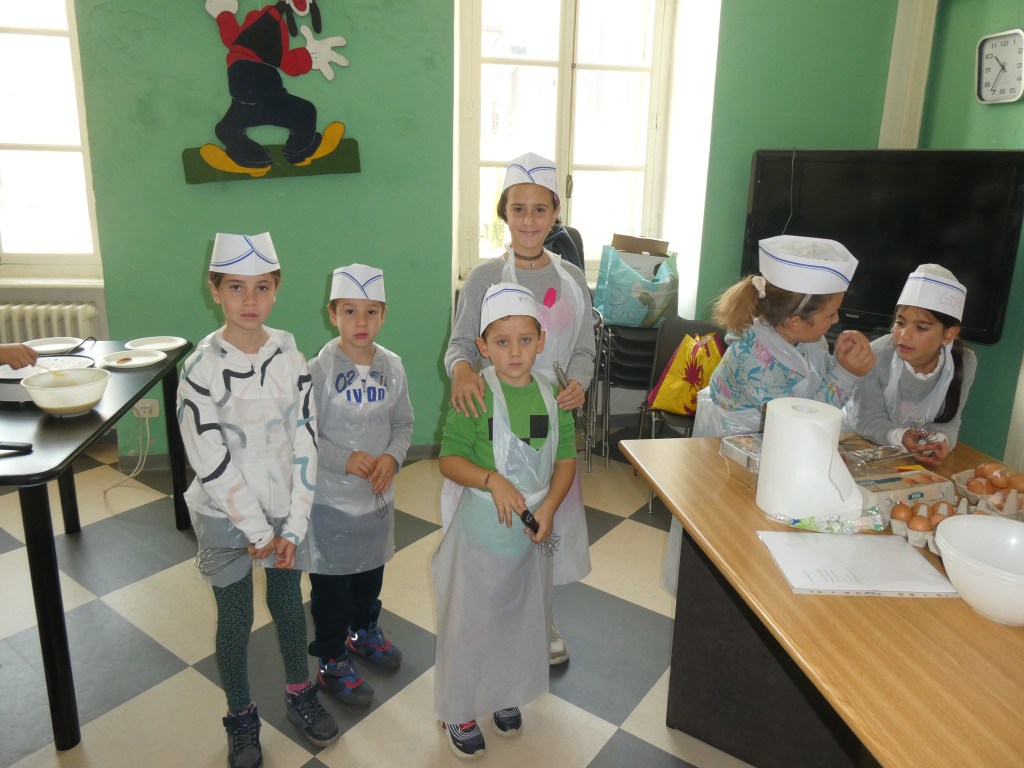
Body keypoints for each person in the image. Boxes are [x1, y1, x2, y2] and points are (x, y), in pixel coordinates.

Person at [177, 232, 338, 768]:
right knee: (234, 617)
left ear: (276, 289)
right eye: (236, 287)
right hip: (226, 517)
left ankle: (299, 692)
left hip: (284, 513)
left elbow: (306, 441)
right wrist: (258, 531)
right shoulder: (199, 369)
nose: (250, 300)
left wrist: (292, 527)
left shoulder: (291, 356)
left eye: (262, 287)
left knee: (289, 605)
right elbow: (210, 460)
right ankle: (241, 715)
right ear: (214, 290)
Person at [444, 151, 593, 666]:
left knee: (543, 518)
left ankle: (541, 616)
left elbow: (584, 349)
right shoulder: (483, 277)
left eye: (539, 209)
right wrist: (462, 372)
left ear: (555, 213)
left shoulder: (572, 278)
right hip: (494, 418)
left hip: (548, 418)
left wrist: (579, 383)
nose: (528, 220)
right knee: (496, 528)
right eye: (518, 209)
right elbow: (460, 345)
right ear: (504, 213)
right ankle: (488, 614)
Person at [663, 235, 876, 593]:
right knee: (731, 536)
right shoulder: (757, 361)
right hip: (735, 456)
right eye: (830, 314)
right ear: (795, 322)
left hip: (774, 452)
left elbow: (816, 382)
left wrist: (838, 363)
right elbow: (803, 424)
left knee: (768, 538)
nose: (837, 319)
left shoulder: (805, 339)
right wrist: (846, 374)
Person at [433, 282, 577, 759]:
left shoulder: (551, 397)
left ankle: (502, 692)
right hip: (482, 535)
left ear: (541, 341)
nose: (514, 352)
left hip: (530, 534)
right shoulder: (475, 395)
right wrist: (490, 479)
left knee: (517, 615)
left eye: (524, 340)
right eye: (501, 341)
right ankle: (459, 708)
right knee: (473, 621)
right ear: (483, 347)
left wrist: (549, 508)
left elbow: (565, 459)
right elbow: (450, 459)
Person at [305, 263, 414, 706]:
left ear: (384, 315)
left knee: (370, 576)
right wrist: (343, 459)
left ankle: (363, 631)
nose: (361, 321)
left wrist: (392, 457)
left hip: (376, 503)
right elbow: (304, 436)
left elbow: (403, 424)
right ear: (332, 314)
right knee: (332, 589)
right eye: (349, 311)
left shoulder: (394, 368)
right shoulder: (317, 372)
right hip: (331, 503)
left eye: (371, 311)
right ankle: (331, 657)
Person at [845, 264, 976, 464]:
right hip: (857, 443)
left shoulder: (964, 362)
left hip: (908, 454)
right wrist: (900, 437)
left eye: (921, 328)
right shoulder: (876, 355)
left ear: (948, 334)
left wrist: (937, 442)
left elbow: (949, 421)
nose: (904, 336)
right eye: (900, 323)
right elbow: (867, 421)